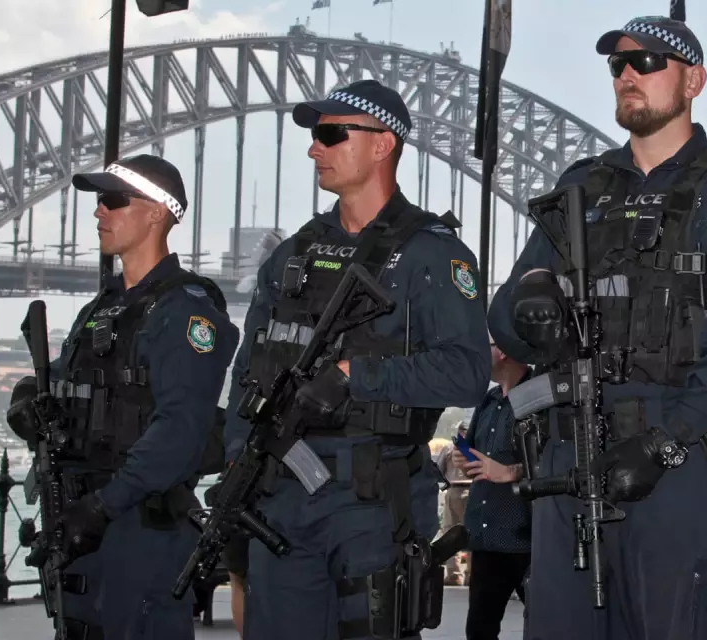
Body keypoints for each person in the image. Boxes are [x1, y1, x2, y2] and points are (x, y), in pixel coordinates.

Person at [487, 15, 707, 640]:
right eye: (618, 64)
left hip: (680, 468)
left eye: (647, 62)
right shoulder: (581, 189)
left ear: (693, 81)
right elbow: (503, 321)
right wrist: (532, 310)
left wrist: (664, 443)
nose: (628, 74)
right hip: (572, 460)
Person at [222, 78, 491, 640]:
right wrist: (237, 467)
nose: (313, 149)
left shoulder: (432, 253)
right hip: (279, 496)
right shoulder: (293, 254)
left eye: (330, 135)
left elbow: (467, 372)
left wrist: (353, 376)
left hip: (371, 501)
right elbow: (249, 371)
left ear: (381, 143)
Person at [7, 154, 239, 639]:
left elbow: (179, 431)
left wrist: (102, 507)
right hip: (81, 524)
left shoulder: (187, 312)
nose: (99, 211)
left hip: (139, 531)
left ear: (156, 212)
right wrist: (27, 400)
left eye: (112, 200)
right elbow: (62, 384)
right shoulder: (103, 309)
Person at [452, 337, 532, 640]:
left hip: (527, 539)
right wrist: (464, 460)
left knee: (545, 627)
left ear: (504, 350)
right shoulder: (488, 400)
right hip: (486, 539)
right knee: (479, 631)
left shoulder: (539, 397)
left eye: (485, 344)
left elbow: (555, 461)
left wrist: (509, 472)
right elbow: (477, 460)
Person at [434, 420, 472, 586]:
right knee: (472, 531)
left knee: (450, 531)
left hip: (454, 490)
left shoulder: (450, 447)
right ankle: (472, 573)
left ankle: (454, 574)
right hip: (474, 490)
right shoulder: (477, 446)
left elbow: (438, 470)